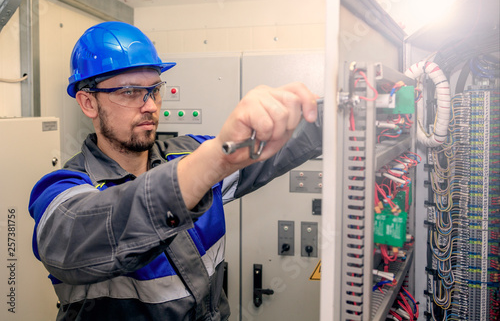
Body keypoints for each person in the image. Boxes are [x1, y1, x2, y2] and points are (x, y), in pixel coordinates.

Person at [29, 21, 322, 321]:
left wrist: (336, 115)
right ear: (88, 102)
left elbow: (275, 146)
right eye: (130, 92)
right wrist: (215, 159)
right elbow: (74, 235)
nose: (151, 107)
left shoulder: (189, 154)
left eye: (154, 90)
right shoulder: (66, 189)